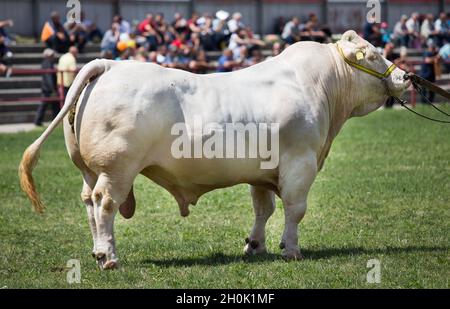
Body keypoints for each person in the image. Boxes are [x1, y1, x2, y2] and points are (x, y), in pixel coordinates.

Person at [34, 49, 58, 126]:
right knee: (44, 105)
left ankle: (55, 120)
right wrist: (53, 89)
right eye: (52, 55)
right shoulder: (48, 63)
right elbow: (48, 77)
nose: (53, 56)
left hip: (47, 87)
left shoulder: (47, 63)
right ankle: (38, 121)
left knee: (52, 105)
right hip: (48, 89)